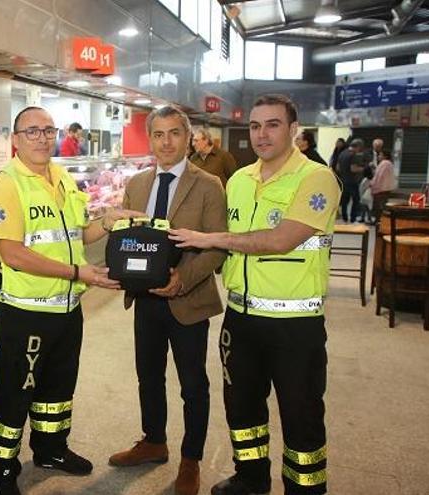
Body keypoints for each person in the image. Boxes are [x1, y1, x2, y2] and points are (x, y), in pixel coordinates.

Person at [169, 94, 340, 495]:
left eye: (273, 124)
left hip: (294, 324)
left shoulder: (316, 179)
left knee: (301, 413)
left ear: (294, 130)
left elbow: (280, 240)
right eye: (255, 126)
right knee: (242, 406)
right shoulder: (241, 180)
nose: (262, 134)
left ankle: (306, 488)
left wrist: (211, 236)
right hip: (240, 318)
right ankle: (250, 478)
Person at [0, 106, 141, 495]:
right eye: (31, 131)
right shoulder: (5, 184)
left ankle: (51, 448)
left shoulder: (64, 179)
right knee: (15, 391)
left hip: (67, 310)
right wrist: (77, 274)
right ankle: (0, 463)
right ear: (15, 140)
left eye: (47, 130)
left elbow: (77, 235)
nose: (41, 137)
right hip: (26, 312)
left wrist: (108, 221)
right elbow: (12, 253)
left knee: (57, 388)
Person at [109, 105, 227, 495]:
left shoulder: (208, 185)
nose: (166, 142)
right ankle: (154, 441)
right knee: (149, 376)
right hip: (146, 300)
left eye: (174, 133)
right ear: (151, 139)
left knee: (193, 383)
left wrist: (182, 280)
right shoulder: (137, 184)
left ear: (188, 137)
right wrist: (120, 269)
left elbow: (217, 247)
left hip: (188, 300)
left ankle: (190, 459)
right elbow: (128, 240)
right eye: (158, 134)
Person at [337, 138, 366, 223]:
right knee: (356, 199)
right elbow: (353, 169)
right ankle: (353, 218)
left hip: (343, 180)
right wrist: (364, 169)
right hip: (352, 181)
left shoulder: (342, 153)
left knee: (345, 200)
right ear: (358, 147)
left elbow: (337, 168)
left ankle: (345, 217)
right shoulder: (353, 155)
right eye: (360, 148)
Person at [370, 149, 397, 222]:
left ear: (385, 156)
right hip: (384, 188)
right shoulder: (388, 164)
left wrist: (373, 185)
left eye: (380, 155)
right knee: (381, 205)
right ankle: (379, 220)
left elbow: (379, 176)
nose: (379, 156)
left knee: (379, 206)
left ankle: (379, 221)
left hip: (380, 189)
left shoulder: (385, 163)